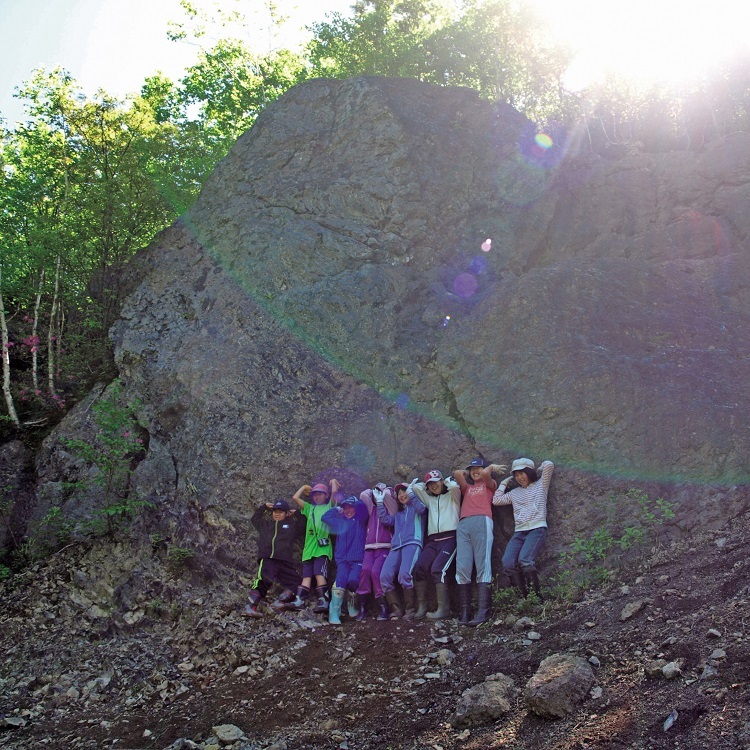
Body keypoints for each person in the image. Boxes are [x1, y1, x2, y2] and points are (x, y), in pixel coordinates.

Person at [453, 458, 506, 627]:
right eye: (472, 469)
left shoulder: (489, 485)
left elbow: (484, 475)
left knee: (483, 564)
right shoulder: (467, 488)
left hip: (482, 521)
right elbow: (457, 474)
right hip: (463, 524)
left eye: (478, 468)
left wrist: (489, 468)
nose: (476, 471)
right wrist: (467, 471)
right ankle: (465, 611)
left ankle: (483, 611)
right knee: (462, 567)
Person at [493, 457, 554, 601]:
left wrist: (539, 468)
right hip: (519, 532)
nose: (519, 477)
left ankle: (536, 598)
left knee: (525, 560)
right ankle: (524, 597)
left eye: (522, 473)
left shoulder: (541, 485)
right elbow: (496, 500)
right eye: (516, 474)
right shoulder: (515, 493)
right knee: (507, 562)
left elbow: (549, 465)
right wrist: (503, 483)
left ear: (529, 472)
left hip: (536, 528)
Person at [409, 470, 461, 620]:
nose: (433, 486)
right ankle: (422, 606)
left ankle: (443, 609)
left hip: (451, 537)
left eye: (436, 481)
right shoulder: (429, 499)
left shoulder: (452, 496)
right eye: (430, 484)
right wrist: (424, 483)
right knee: (419, 567)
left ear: (442, 481)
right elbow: (416, 488)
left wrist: (446, 482)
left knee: (438, 569)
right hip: (433, 540)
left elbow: (455, 488)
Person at [244, 498, 305, 617]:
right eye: (275, 511)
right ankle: (250, 607)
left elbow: (303, 525)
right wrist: (264, 507)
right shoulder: (266, 525)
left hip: (284, 561)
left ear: (286, 513)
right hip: (268, 559)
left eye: (281, 512)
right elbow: (254, 519)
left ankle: (280, 602)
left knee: (298, 583)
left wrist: (297, 513)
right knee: (263, 581)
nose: (277, 514)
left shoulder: (291, 526)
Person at [377, 483, 427, 619]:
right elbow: (385, 519)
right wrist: (380, 502)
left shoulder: (417, 508)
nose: (402, 495)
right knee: (384, 576)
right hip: (396, 547)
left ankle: (410, 609)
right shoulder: (398, 514)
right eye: (399, 494)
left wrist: (412, 495)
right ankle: (396, 609)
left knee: (405, 574)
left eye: (404, 492)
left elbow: (423, 509)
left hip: (412, 543)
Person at [289, 478, 339, 613]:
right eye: (315, 494)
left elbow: (335, 493)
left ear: (326, 495)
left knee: (319, 573)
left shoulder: (329, 506)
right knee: (306, 576)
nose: (317, 497)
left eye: (320, 494)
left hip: (322, 548)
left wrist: (333, 482)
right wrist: (304, 486)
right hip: (308, 549)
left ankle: (324, 600)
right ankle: (299, 599)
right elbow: (295, 497)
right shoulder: (309, 508)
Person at [322, 495, 368, 624]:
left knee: (353, 580)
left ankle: (351, 603)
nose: (348, 511)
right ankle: (334, 612)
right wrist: (337, 508)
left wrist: (354, 502)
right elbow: (325, 517)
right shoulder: (340, 522)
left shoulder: (360, 520)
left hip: (358, 558)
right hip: (342, 559)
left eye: (350, 508)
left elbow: (363, 508)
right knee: (340, 580)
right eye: (345, 508)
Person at [355, 483, 397, 621]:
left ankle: (383, 606)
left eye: (380, 492)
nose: (377, 494)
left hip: (384, 547)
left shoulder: (390, 509)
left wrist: (384, 491)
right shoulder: (371, 508)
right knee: (365, 571)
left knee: (375, 572)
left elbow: (391, 496)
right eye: (375, 492)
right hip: (369, 547)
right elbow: (363, 495)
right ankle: (363, 607)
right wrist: (372, 489)